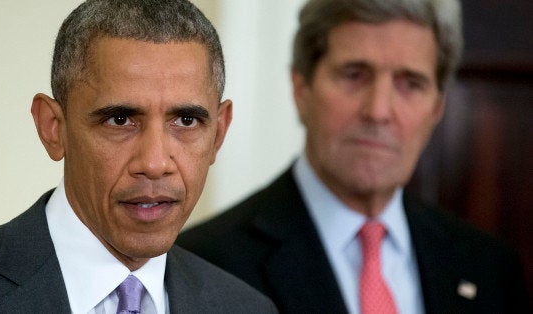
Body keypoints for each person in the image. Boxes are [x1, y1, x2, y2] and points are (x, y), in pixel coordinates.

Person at [0, 1, 279, 313]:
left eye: (186, 120)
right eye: (120, 119)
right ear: (53, 127)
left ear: (219, 133)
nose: (153, 162)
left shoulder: (247, 308)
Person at [177, 0, 529, 313]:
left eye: (410, 83)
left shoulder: (489, 267)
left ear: (436, 109)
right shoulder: (202, 263)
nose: (378, 111)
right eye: (354, 75)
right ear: (301, 90)